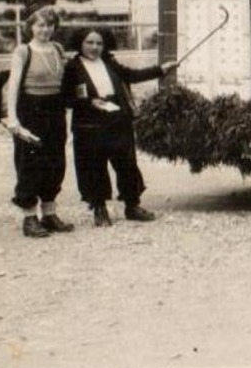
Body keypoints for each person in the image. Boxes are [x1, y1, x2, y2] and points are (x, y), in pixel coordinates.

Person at [62, 27, 176, 226]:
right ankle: (99, 209)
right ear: (80, 43)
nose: (94, 47)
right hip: (89, 124)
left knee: (127, 163)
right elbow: (66, 98)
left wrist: (161, 69)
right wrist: (88, 102)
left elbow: (131, 75)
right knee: (94, 167)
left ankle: (132, 206)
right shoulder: (72, 67)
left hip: (117, 118)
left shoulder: (109, 62)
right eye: (89, 42)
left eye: (99, 43)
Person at [2, 6, 73, 238]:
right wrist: (13, 119)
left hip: (55, 109)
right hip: (31, 110)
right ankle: (30, 218)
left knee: (55, 161)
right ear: (31, 26)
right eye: (40, 25)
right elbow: (13, 86)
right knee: (29, 163)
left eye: (50, 25)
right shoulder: (23, 51)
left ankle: (49, 214)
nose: (45, 29)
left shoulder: (58, 49)